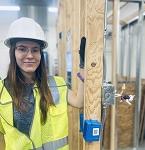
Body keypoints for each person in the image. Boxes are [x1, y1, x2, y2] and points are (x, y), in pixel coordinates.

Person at [0, 17, 84, 150]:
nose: (30, 55)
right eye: (22, 49)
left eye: (35, 50)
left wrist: (83, 69)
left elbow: (79, 102)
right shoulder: (1, 90)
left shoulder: (57, 84)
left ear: (40, 54)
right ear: (13, 52)